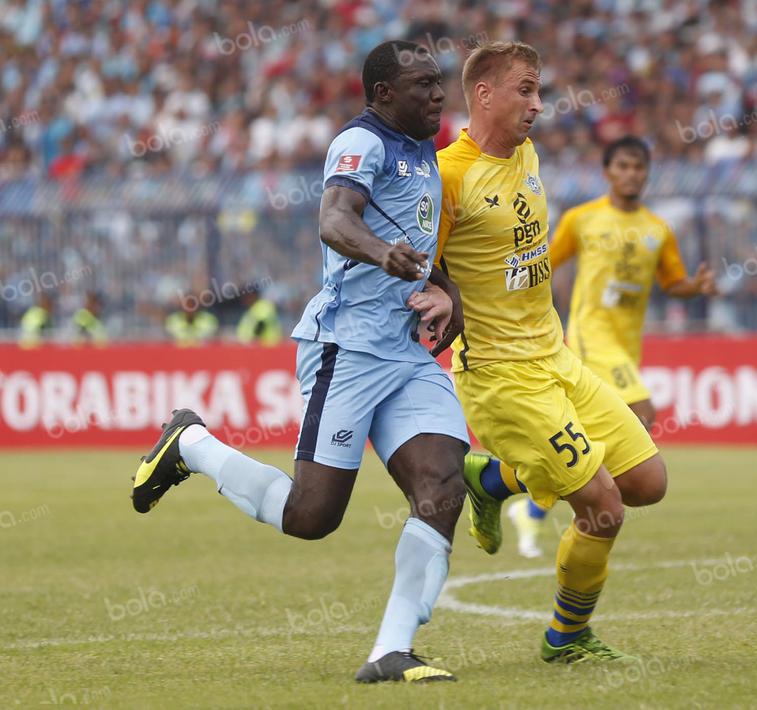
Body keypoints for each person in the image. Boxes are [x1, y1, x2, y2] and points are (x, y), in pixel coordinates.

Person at [129, 40, 470, 683]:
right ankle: (192, 443)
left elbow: (426, 242)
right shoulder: (360, 142)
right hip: (348, 347)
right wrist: (380, 254)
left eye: (439, 82)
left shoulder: (426, 149)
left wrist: (446, 296)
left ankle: (390, 651)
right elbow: (335, 220)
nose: (436, 94)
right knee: (311, 517)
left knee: (442, 485)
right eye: (422, 84)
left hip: (406, 352)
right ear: (382, 94)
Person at [439, 41, 668, 663]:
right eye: (526, 91)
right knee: (603, 507)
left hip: (557, 357)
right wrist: (434, 306)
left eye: (539, 91)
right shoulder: (447, 180)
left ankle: (490, 479)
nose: (538, 105)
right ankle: (566, 639)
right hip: (501, 376)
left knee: (648, 481)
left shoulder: (527, 153)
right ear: (483, 95)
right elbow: (420, 274)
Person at [504, 135, 716, 559]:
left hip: (624, 345)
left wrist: (692, 287)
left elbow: (672, 283)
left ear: (646, 173)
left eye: (638, 167)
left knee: (585, 433)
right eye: (622, 166)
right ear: (607, 172)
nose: (630, 174)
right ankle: (574, 502)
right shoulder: (583, 219)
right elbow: (544, 262)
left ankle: (528, 501)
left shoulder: (658, 230)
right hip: (589, 336)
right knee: (642, 414)